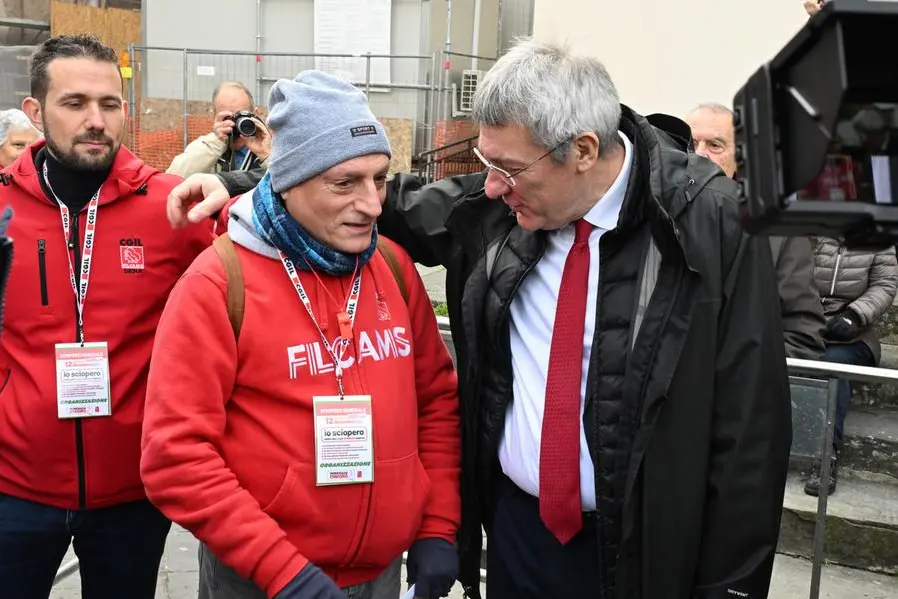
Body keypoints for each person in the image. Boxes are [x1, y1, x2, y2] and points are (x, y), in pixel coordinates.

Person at [167, 38, 793, 599]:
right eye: (485, 163)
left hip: (647, 550)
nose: (490, 187)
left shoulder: (711, 222)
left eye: (508, 170)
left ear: (582, 151)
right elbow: (361, 195)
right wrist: (244, 187)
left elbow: (751, 430)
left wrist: (731, 586)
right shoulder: (501, 205)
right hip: (521, 536)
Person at [141, 70, 461, 599]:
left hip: (381, 573)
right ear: (289, 182)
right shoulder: (218, 283)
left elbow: (436, 403)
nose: (372, 204)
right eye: (345, 183)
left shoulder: (392, 267)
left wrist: (437, 526)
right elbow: (175, 456)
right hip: (262, 581)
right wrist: (284, 573)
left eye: (379, 179)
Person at [0, 34, 213, 599]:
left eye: (109, 104)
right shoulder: (2, 208)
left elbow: (270, 244)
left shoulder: (174, 205)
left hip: (133, 494)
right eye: (74, 103)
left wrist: (235, 185)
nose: (95, 120)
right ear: (35, 111)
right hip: (14, 489)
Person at [686, 102, 826, 358]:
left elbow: (802, 338)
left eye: (715, 145)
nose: (699, 155)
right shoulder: (647, 217)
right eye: (690, 144)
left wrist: (739, 373)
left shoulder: (781, 234)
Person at [807, 238, 897, 496]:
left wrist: (855, 314)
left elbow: (884, 285)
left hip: (854, 334)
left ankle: (826, 454)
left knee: (832, 364)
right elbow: (791, 275)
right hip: (806, 322)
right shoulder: (814, 234)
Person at [166, 81, 271, 177]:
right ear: (214, 116)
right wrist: (216, 142)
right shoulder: (208, 147)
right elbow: (173, 178)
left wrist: (266, 155)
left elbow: (280, 182)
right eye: (227, 118)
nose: (234, 124)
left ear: (255, 114)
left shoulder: (269, 146)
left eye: (241, 117)